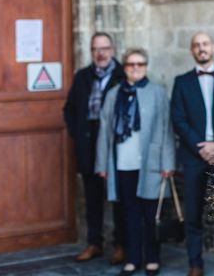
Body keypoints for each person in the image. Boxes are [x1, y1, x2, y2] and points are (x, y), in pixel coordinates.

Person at [95, 48, 175, 276]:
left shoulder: (158, 92)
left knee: (151, 215)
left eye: (140, 63)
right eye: (131, 64)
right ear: (125, 67)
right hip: (123, 163)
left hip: (151, 163)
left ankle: (152, 258)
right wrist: (102, 165)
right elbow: (104, 131)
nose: (136, 68)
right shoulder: (114, 94)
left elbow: (166, 128)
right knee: (128, 214)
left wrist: (167, 163)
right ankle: (132, 258)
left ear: (146, 66)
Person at [171, 32, 214, 276]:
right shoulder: (182, 82)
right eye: (196, 45)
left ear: (213, 47)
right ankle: (195, 263)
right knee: (192, 214)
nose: (201, 49)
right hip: (193, 156)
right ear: (191, 51)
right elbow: (178, 119)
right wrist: (201, 147)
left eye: (205, 44)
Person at [63, 32, 126, 264]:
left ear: (112, 49)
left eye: (104, 48)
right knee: (92, 198)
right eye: (95, 49)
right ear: (91, 52)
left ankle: (121, 245)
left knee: (118, 198)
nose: (100, 53)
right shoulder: (82, 76)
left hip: (114, 145)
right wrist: (78, 134)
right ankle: (94, 243)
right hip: (88, 144)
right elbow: (69, 109)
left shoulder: (122, 75)